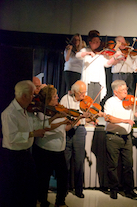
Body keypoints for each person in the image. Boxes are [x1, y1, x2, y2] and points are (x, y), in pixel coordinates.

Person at [0, 80, 59, 207]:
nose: (34, 97)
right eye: (32, 94)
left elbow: (37, 124)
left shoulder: (26, 110)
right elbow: (12, 137)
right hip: (13, 157)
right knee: (16, 192)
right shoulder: (10, 113)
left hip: (26, 155)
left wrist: (54, 117)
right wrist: (33, 134)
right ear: (24, 95)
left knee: (30, 189)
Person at [33, 85, 77, 207]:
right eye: (54, 96)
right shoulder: (42, 112)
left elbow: (66, 128)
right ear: (48, 100)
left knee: (63, 177)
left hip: (59, 150)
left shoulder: (58, 110)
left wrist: (77, 118)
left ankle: (60, 202)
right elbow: (45, 128)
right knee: (44, 178)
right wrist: (61, 120)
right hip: (45, 149)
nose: (57, 97)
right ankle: (42, 201)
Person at [60, 80, 102, 198]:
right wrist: (77, 117)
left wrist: (92, 117)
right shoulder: (65, 99)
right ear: (74, 92)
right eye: (82, 93)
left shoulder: (85, 102)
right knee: (65, 161)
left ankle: (79, 189)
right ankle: (64, 188)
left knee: (79, 161)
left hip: (79, 131)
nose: (84, 96)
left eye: (85, 92)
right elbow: (63, 116)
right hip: (68, 130)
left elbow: (86, 120)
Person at [104, 79, 137, 199]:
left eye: (126, 89)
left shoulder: (129, 102)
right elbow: (108, 118)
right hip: (113, 137)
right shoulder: (110, 102)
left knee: (128, 165)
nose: (126, 92)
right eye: (122, 90)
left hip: (126, 137)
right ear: (115, 92)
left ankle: (129, 190)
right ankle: (113, 189)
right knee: (112, 165)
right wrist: (125, 120)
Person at [76, 33, 125, 104]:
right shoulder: (85, 50)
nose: (97, 43)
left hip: (98, 81)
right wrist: (88, 53)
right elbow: (78, 55)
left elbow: (107, 64)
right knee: (87, 101)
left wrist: (115, 56)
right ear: (90, 42)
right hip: (89, 81)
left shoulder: (101, 53)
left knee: (96, 102)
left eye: (98, 42)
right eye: (95, 42)